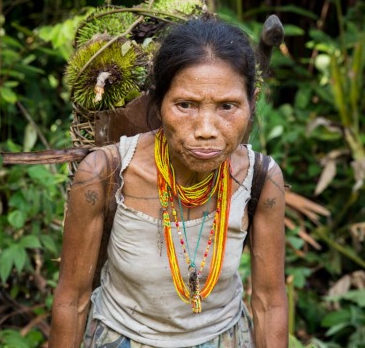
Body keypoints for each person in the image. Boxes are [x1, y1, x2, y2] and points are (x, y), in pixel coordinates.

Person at [48, 18, 288, 348]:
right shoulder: (103, 174)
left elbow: (269, 302)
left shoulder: (261, 179)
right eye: (185, 105)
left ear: (252, 102)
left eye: (227, 106)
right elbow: (71, 299)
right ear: (159, 105)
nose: (206, 128)